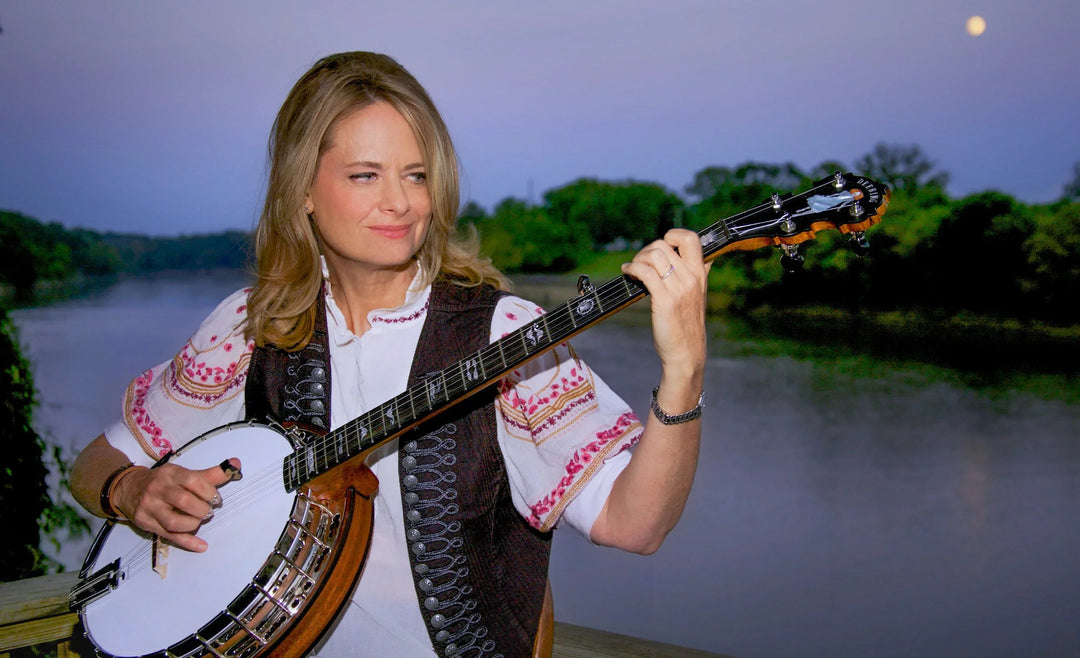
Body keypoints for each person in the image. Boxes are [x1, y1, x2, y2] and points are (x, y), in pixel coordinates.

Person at [70, 51, 709, 657]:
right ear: (303, 192)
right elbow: (93, 463)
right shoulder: (249, 326)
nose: (399, 203)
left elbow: (635, 523)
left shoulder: (502, 335)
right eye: (365, 175)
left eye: (416, 175)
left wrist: (684, 372)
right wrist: (132, 489)